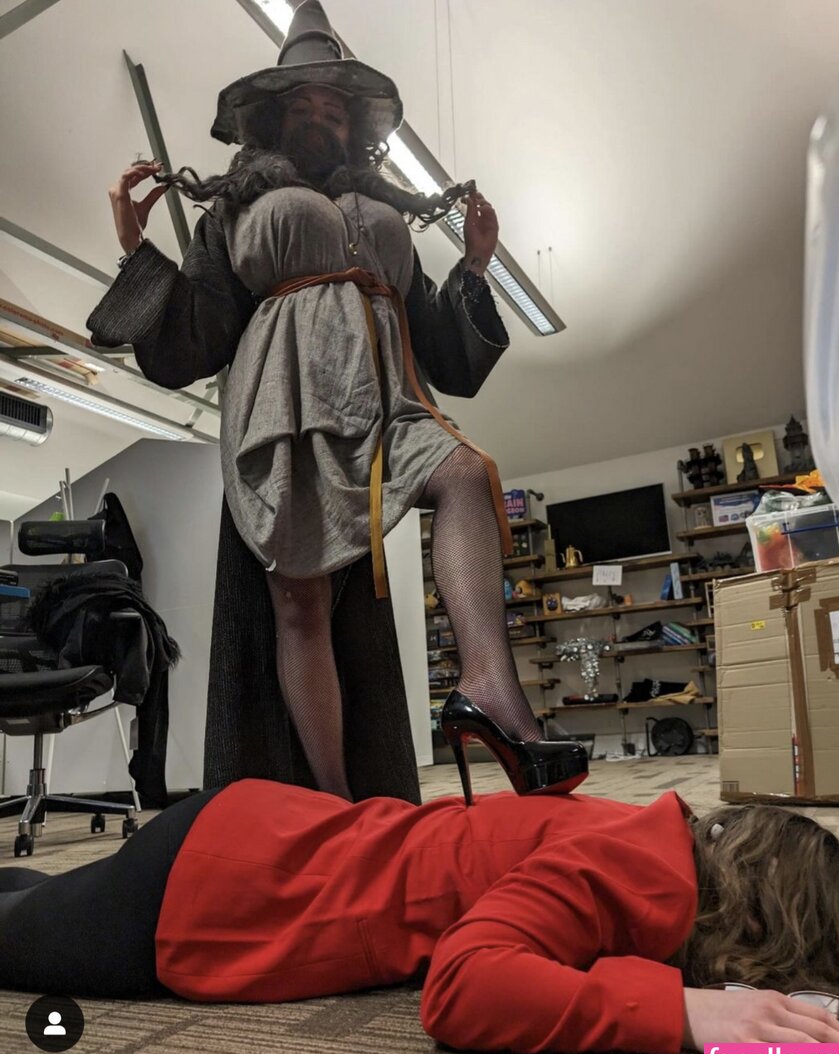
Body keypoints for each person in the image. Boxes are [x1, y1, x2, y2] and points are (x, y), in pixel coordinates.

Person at [86, 0, 586, 804]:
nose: (321, 117)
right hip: (283, 407)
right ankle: (334, 800)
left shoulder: (382, 211)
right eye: (304, 104)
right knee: (300, 602)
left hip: (386, 401)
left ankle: (491, 690)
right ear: (274, 118)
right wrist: (135, 250)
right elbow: (196, 335)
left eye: (335, 108)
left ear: (354, 126)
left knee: (466, 474)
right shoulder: (236, 207)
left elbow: (439, 343)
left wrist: (475, 268)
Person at [0, 782, 839, 1054]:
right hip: (217, 893)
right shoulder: (629, 873)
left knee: (38, 902)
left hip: (264, 835)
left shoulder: (654, 840)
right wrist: (682, 1011)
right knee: (17, 939)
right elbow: (464, 987)